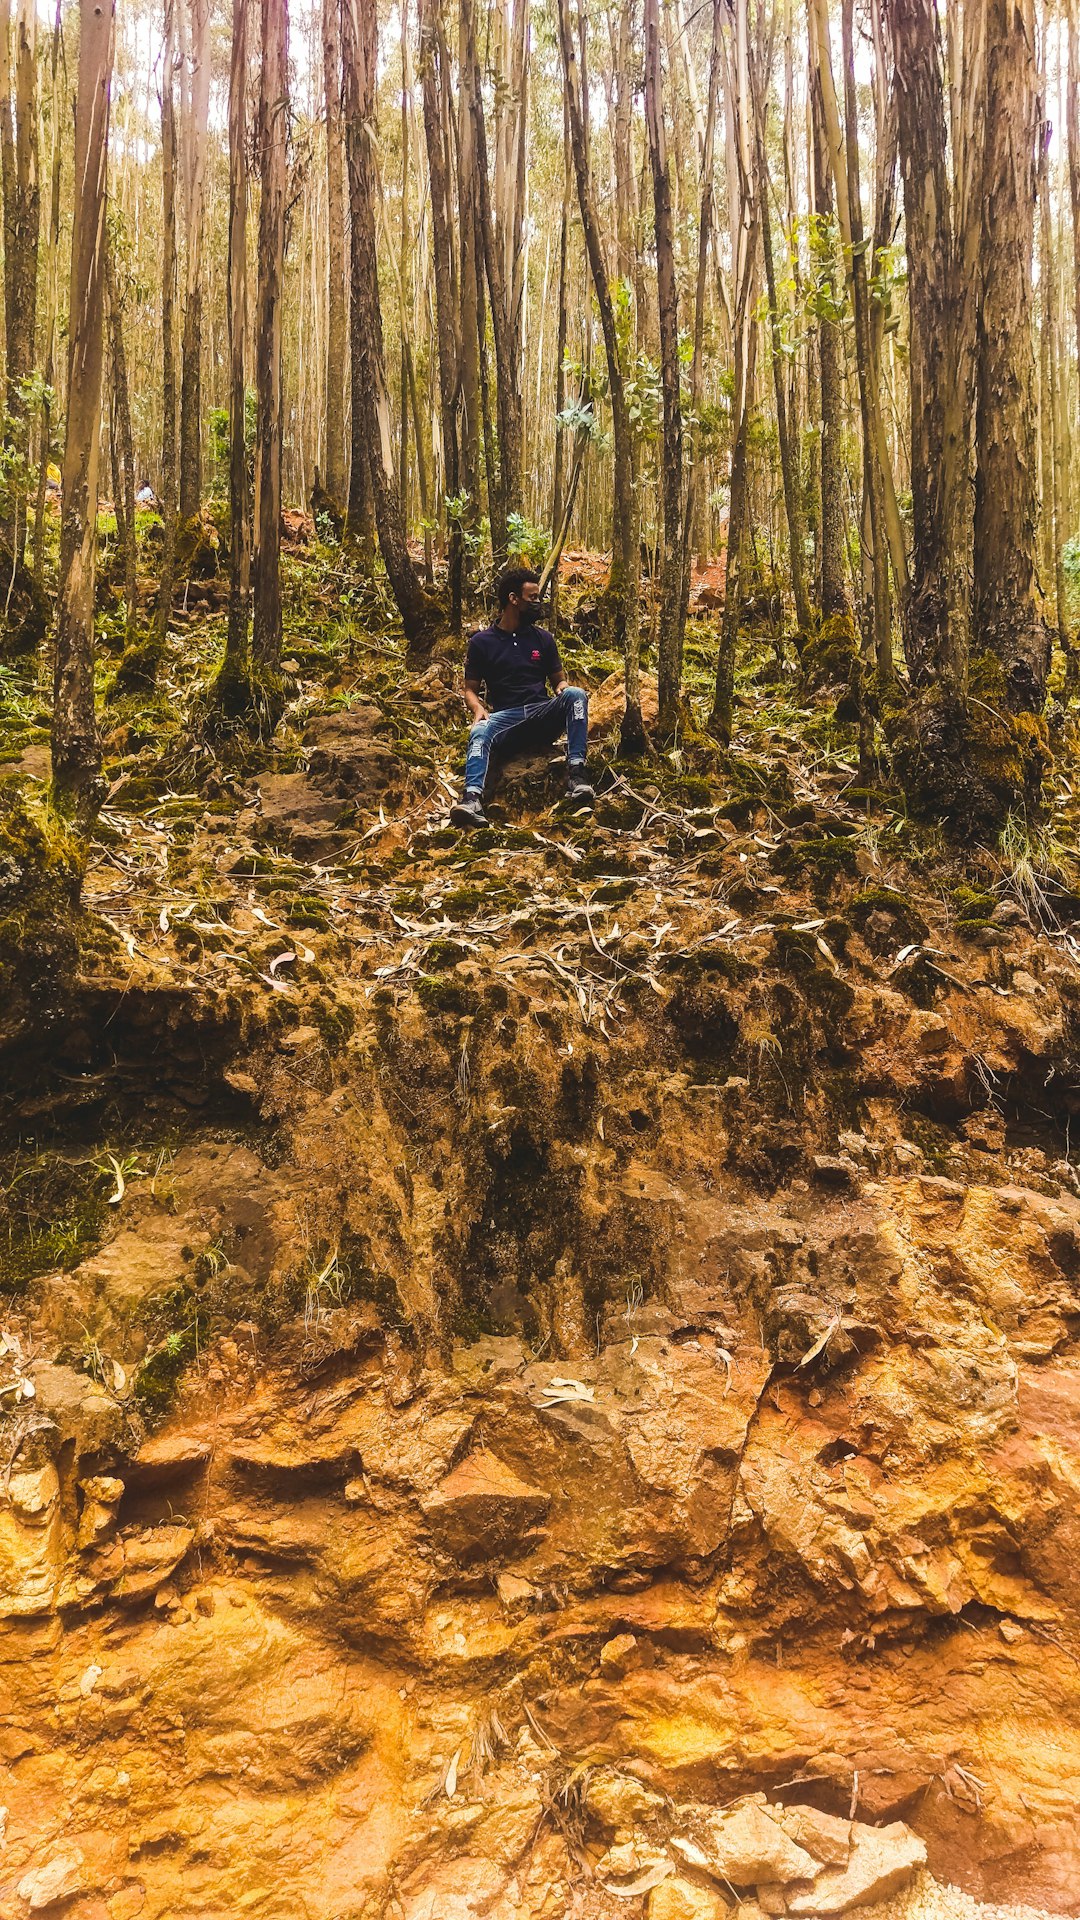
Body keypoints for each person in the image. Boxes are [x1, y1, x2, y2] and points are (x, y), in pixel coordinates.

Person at [449, 567, 594, 830]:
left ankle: (578, 775)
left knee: (576, 695)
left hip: (542, 713)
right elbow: (470, 688)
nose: (538, 603)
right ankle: (472, 800)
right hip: (507, 720)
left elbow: (558, 679)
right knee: (480, 730)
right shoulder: (482, 642)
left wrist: (562, 687)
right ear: (514, 599)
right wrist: (477, 708)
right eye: (533, 598)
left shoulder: (543, 639)